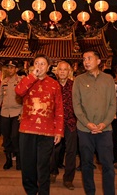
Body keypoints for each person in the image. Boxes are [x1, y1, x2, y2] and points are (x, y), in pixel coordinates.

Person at [15, 54, 64, 195]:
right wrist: (32, 77)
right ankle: (31, 191)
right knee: (27, 165)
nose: (40, 66)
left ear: (48, 67)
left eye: (43, 64)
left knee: (43, 165)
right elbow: (18, 91)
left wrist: (59, 131)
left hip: (47, 132)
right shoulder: (27, 80)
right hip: (27, 130)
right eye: (37, 63)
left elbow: (59, 109)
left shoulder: (54, 84)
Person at [72, 50, 117, 195]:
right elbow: (76, 106)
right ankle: (90, 192)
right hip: (85, 130)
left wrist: (104, 124)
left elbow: (112, 104)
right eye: (84, 59)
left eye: (89, 58)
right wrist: (87, 123)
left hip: (105, 130)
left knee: (108, 165)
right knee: (86, 164)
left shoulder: (108, 79)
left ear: (98, 61)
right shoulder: (79, 80)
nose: (86, 61)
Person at [50, 61, 77, 190]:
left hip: (71, 123)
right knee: (54, 150)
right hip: (54, 123)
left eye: (65, 69)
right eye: (60, 69)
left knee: (71, 151)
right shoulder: (52, 86)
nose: (62, 72)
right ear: (56, 71)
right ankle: (52, 172)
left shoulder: (74, 86)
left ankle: (68, 179)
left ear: (69, 72)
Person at [0, 60, 23, 170]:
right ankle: (8, 160)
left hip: (17, 113)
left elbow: (25, 98)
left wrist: (23, 113)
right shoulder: (3, 81)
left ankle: (19, 159)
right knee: (6, 138)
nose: (10, 70)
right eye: (8, 67)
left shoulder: (20, 81)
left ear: (16, 69)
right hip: (5, 113)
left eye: (12, 67)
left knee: (15, 136)